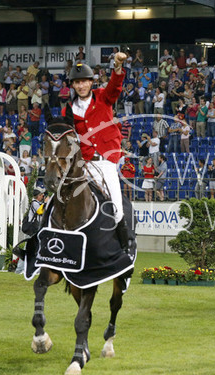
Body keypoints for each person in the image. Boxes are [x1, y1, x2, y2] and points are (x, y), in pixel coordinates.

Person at [64, 56, 132, 253]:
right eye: (77, 82)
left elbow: (116, 86)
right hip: (83, 163)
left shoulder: (103, 96)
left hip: (105, 161)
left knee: (117, 207)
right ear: (73, 85)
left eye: (84, 81)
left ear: (91, 82)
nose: (81, 85)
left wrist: (118, 67)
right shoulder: (68, 109)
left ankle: (124, 246)